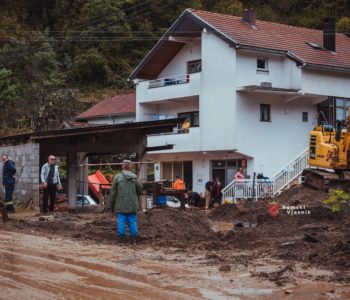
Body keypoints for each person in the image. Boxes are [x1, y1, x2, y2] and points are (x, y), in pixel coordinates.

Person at [109, 160, 143, 245]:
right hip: (132, 205)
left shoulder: (117, 177)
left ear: (122, 166)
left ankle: (121, 240)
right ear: (130, 167)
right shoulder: (135, 177)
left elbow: (113, 193)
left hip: (121, 205)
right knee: (132, 221)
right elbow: (140, 190)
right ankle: (133, 240)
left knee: (121, 221)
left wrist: (110, 205)